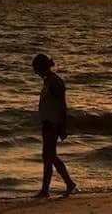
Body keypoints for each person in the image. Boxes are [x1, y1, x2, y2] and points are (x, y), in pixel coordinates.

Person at [31, 54, 77, 198]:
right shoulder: (48, 81)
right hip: (48, 123)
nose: (35, 72)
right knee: (49, 156)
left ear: (42, 67)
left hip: (53, 124)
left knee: (49, 156)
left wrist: (62, 126)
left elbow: (62, 106)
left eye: (36, 68)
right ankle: (64, 184)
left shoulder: (54, 82)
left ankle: (51, 189)